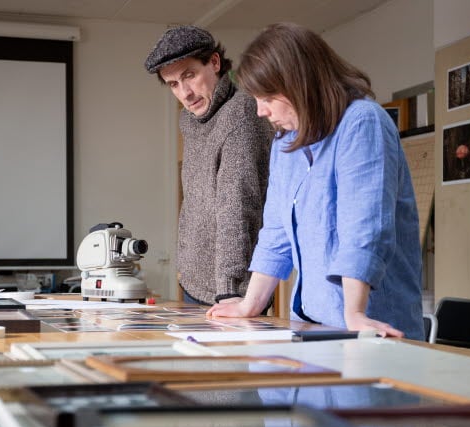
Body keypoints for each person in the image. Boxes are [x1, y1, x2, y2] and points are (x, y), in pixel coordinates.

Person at [207, 23, 424, 339]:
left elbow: (364, 228)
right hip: (312, 324)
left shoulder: (362, 122)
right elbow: (276, 234)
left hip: (370, 325)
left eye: (267, 97)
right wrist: (250, 304)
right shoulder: (286, 142)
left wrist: (354, 312)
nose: (260, 111)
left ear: (298, 84)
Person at [144, 26, 273, 306]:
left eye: (189, 75)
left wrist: (230, 288)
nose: (185, 93)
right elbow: (195, 202)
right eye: (173, 84)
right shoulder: (190, 120)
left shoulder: (240, 113)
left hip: (229, 291)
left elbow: (237, 207)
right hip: (194, 281)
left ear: (214, 62)